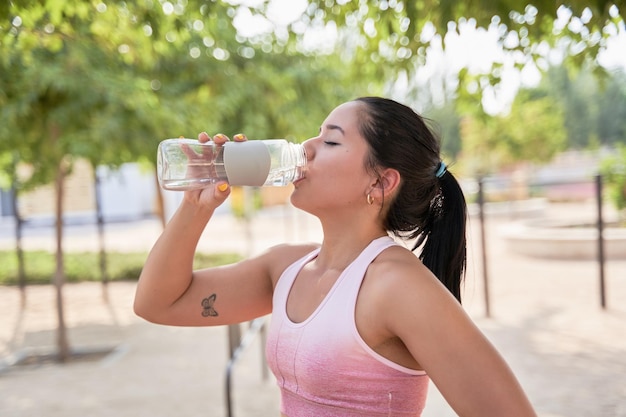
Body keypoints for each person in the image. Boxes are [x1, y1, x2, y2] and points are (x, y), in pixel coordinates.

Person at [134, 96, 537, 416]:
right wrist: (196, 206)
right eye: (316, 135)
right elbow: (158, 303)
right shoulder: (286, 269)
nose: (307, 147)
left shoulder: (397, 285)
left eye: (330, 141)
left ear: (381, 182)